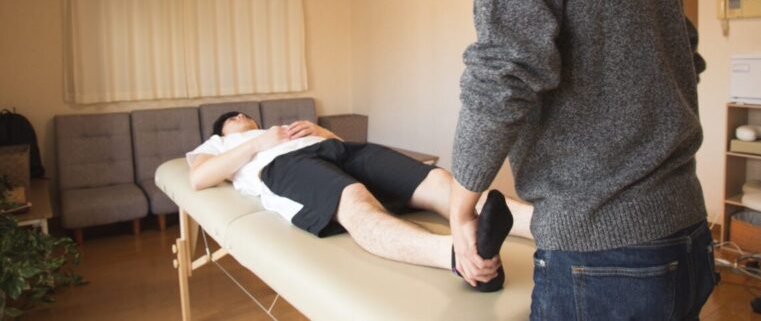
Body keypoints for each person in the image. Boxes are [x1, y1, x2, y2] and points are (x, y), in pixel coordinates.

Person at [449, 0, 715, 319]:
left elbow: (503, 76)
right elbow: (686, 50)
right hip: (687, 227)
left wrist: (459, 206)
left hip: (603, 249)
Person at [187, 111, 533, 291]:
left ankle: (540, 224)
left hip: (339, 150)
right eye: (231, 118)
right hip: (284, 166)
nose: (239, 117)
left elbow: (340, 152)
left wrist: (323, 134)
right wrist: (258, 143)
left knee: (440, 180)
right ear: (222, 132)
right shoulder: (218, 146)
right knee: (355, 200)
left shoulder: (279, 128)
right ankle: (463, 259)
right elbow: (199, 178)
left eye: (243, 115)